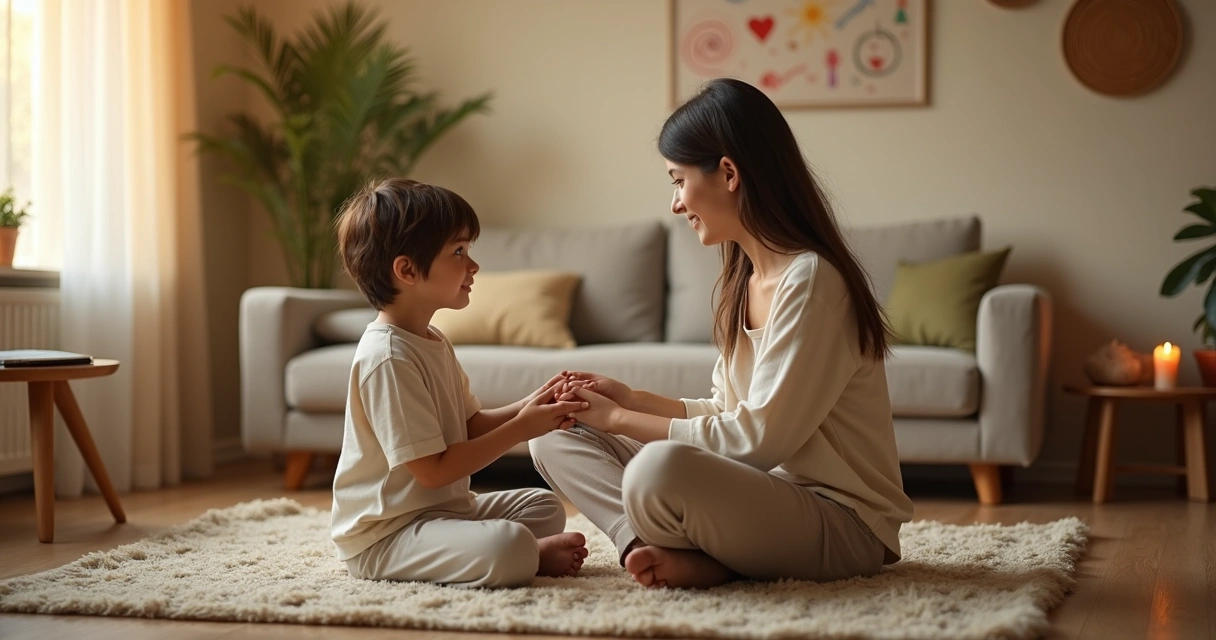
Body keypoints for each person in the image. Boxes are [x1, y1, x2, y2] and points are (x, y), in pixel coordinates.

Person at [534, 78, 914, 589]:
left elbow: (756, 440)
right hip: (762, 497)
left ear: (729, 173)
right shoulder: (746, 279)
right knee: (553, 429)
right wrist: (632, 399)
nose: (675, 204)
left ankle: (704, 557)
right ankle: (644, 547)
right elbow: (727, 411)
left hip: (843, 523)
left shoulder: (812, 281)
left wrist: (623, 418)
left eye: (677, 180)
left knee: (658, 470)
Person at [331, 178, 590, 588]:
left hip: (445, 512)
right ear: (407, 270)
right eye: (458, 252)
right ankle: (525, 555)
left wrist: (531, 405)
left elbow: (469, 426)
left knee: (542, 506)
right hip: (388, 535)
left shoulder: (432, 340)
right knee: (509, 546)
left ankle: (511, 549)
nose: (474, 265)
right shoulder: (388, 358)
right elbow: (433, 472)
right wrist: (524, 429)